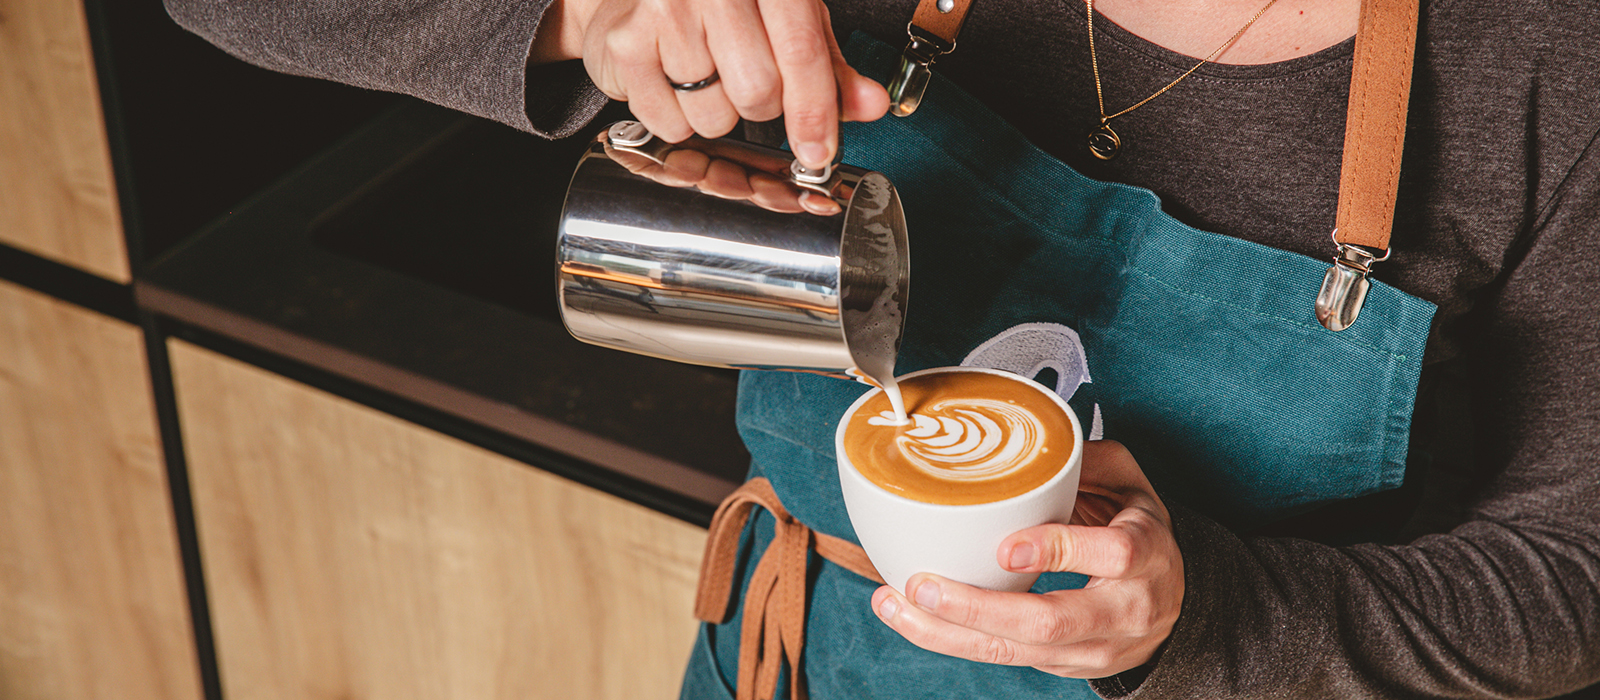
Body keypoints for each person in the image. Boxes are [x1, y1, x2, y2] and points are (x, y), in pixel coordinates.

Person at [165, 0, 1600, 697]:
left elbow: (1569, 575)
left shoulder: (1548, 55)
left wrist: (1208, 620)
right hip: (798, 664)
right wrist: (574, 14)